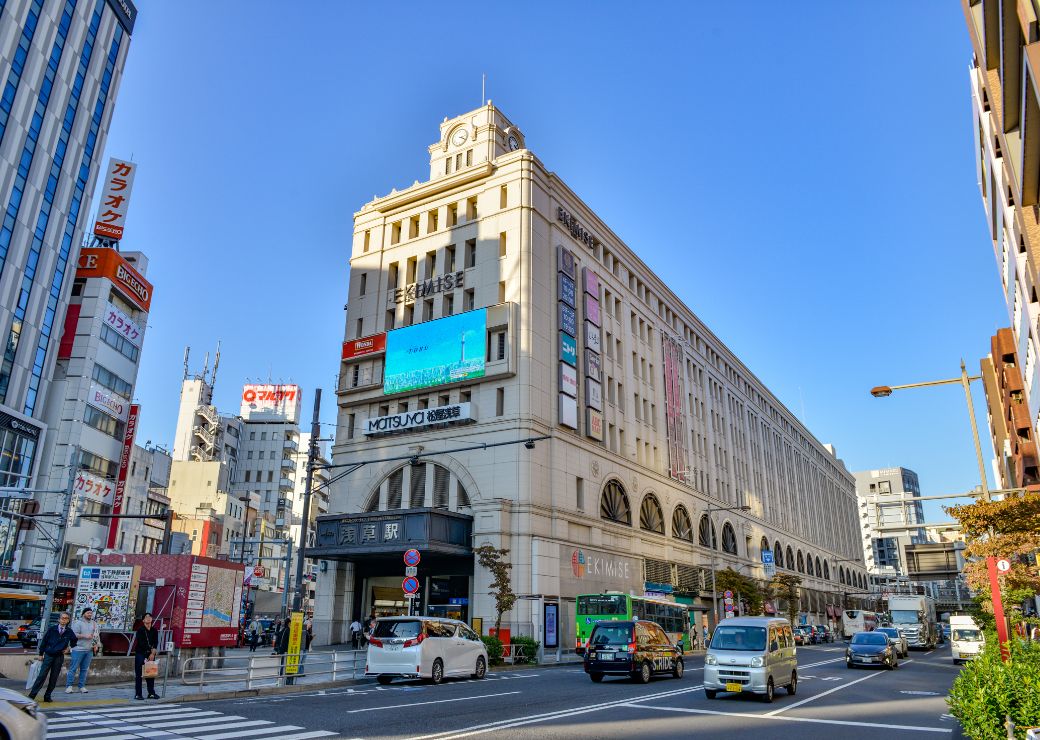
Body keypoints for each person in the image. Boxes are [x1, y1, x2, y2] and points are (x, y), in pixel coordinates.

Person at [27, 612, 76, 703]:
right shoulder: (52, 629)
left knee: (54, 678)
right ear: (59, 619)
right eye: (62, 618)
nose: (64, 620)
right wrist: (41, 654)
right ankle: (32, 696)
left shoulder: (69, 631)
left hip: (59, 657)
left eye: (66, 618)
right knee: (41, 676)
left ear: (68, 620)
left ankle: (47, 696)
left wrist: (68, 649)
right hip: (49, 655)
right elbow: (44, 642)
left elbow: (74, 641)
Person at [66, 608, 99, 694]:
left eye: (91, 613)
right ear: (83, 613)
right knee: (73, 668)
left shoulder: (94, 623)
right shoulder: (78, 623)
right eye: (88, 613)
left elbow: (96, 635)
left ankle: (81, 686)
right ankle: (69, 686)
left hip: (89, 650)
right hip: (78, 649)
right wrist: (85, 636)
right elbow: (73, 635)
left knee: (84, 669)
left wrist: (96, 645)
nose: (90, 614)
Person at [133, 613, 160, 700]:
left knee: (151, 674)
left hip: (151, 654)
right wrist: (150, 651)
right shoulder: (140, 630)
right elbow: (141, 643)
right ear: (143, 620)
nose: (148, 619)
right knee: (139, 674)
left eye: (150, 617)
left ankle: (151, 693)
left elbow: (156, 642)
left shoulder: (154, 630)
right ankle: (138, 694)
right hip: (141, 653)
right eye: (146, 617)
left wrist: (153, 653)